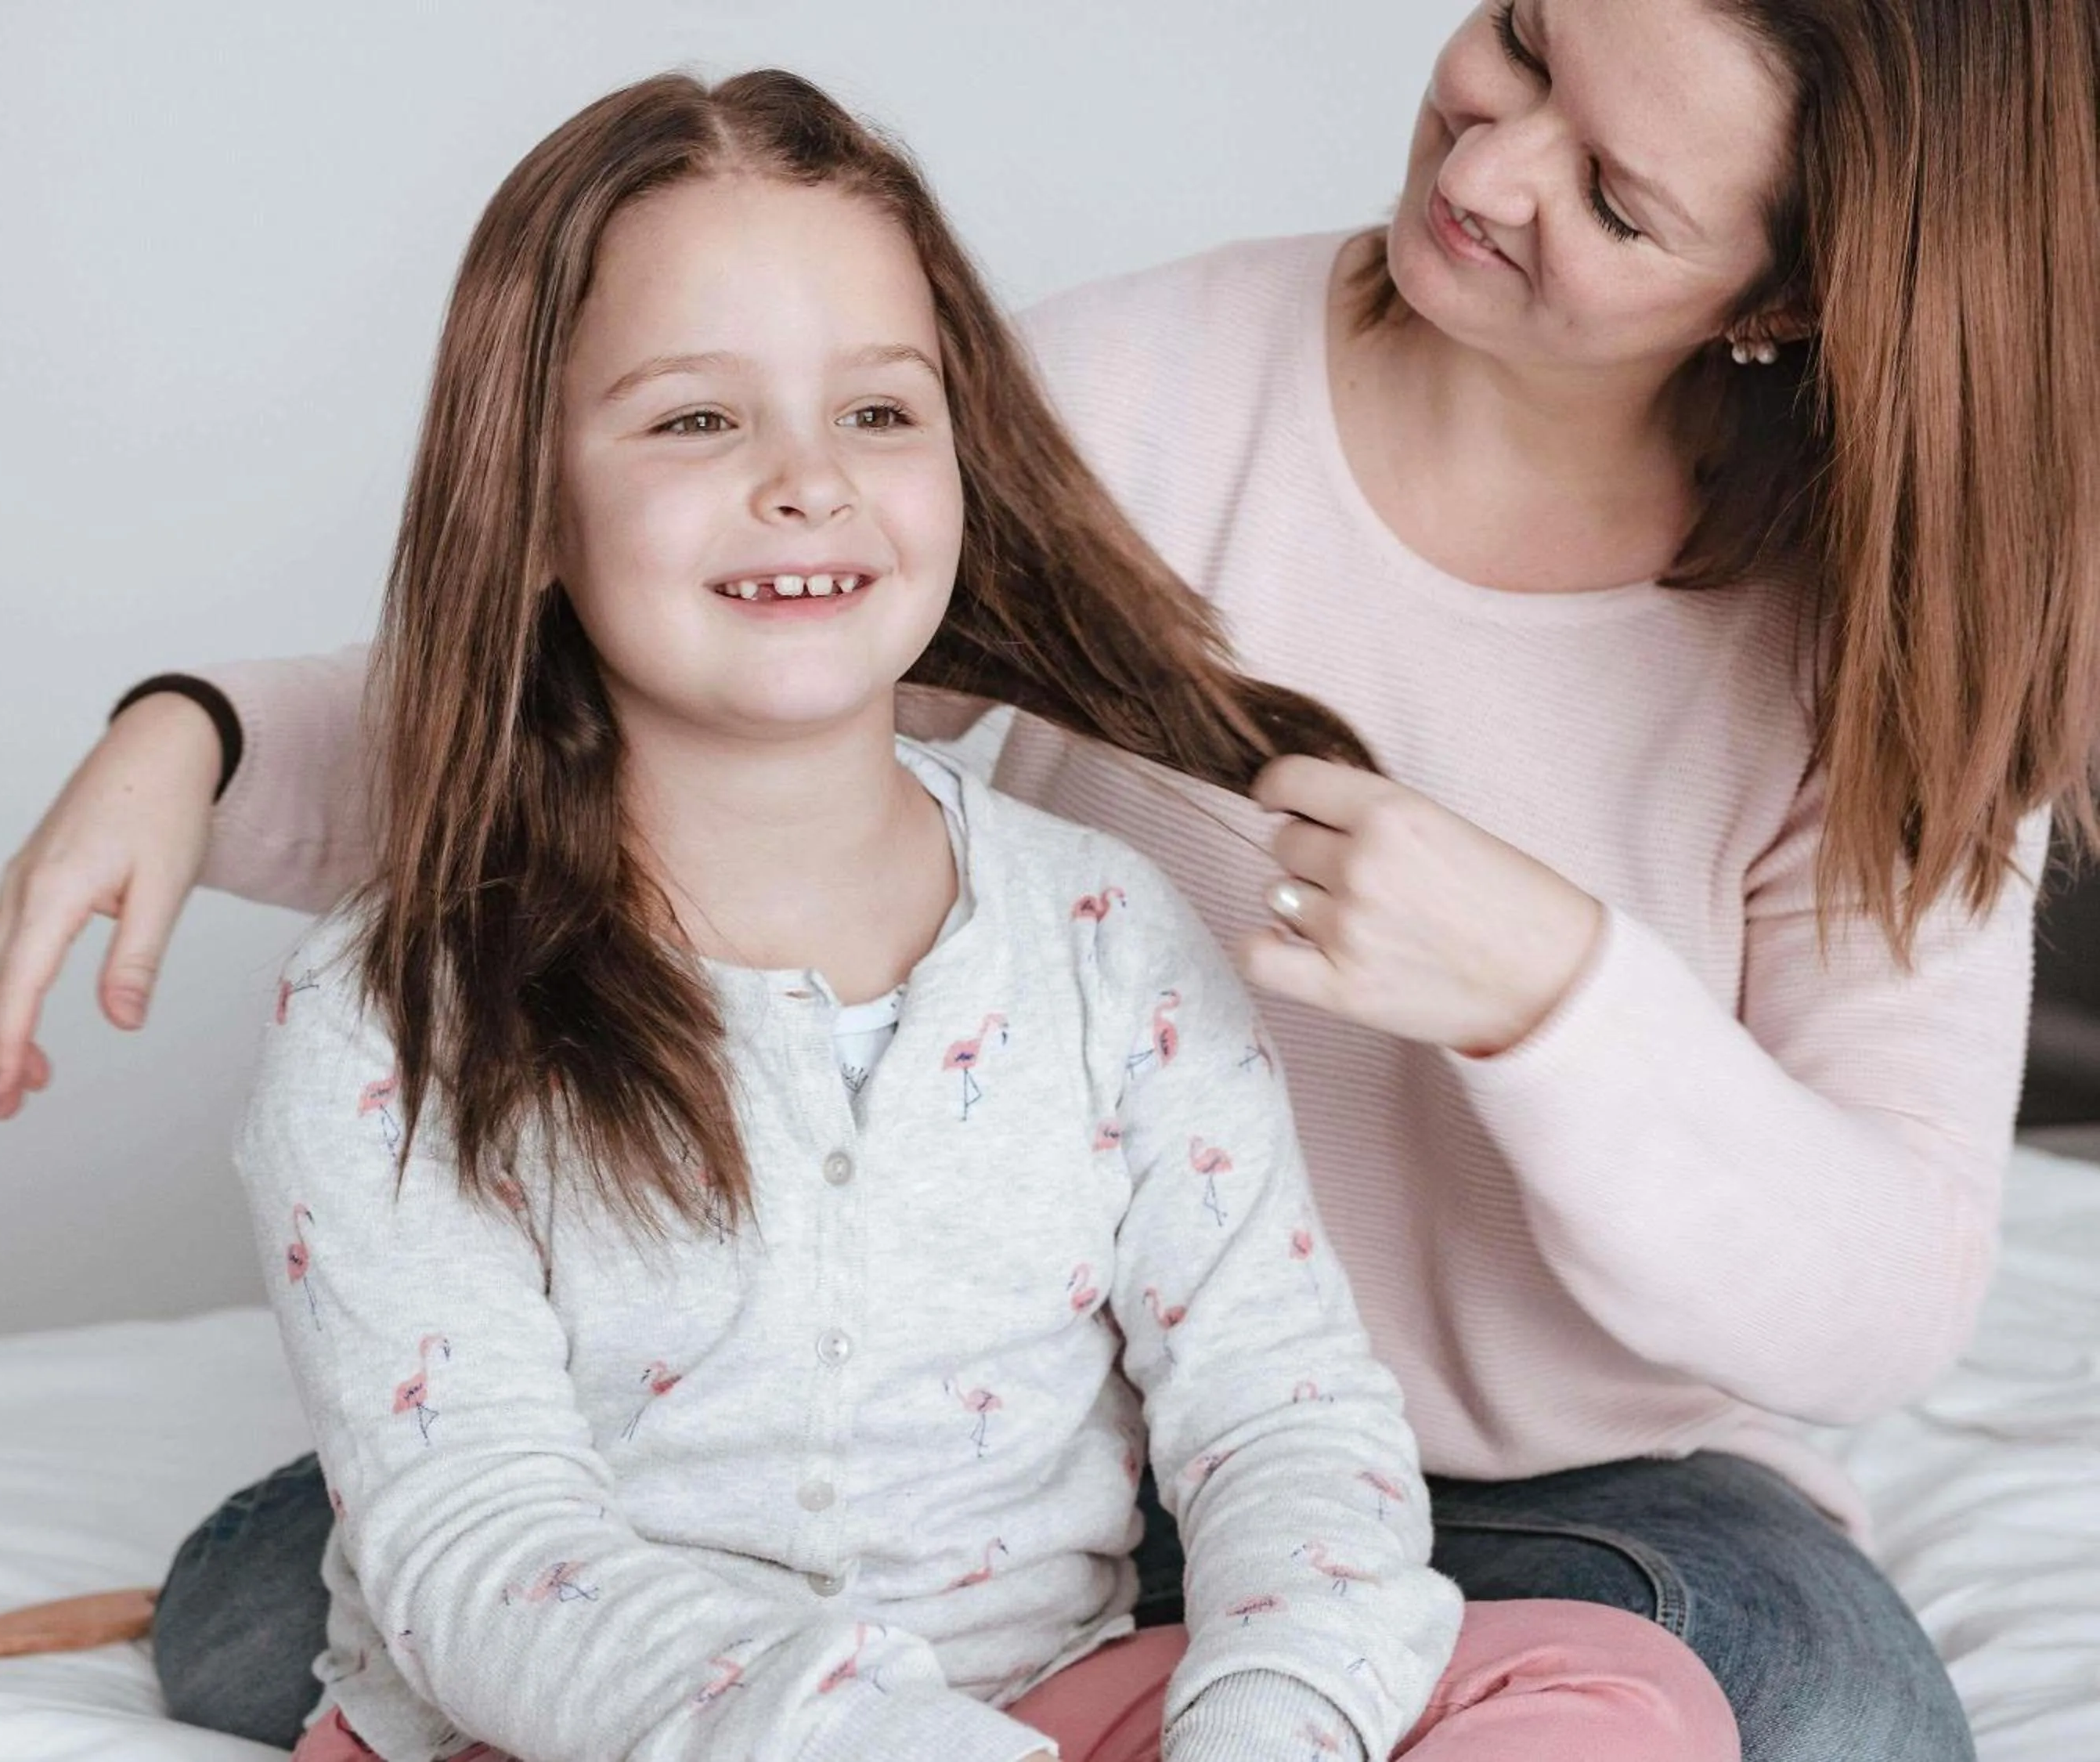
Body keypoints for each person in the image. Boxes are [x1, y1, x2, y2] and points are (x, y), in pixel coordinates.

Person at [0, 3, 2100, 1759]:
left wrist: (1560, 999)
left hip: (1529, 1492)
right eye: (1522, 42)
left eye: (1618, 194)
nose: (1492, 162)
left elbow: (1881, 1303)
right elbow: (664, 677)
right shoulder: (1122, 401)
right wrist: (200, 740)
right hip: (1031, 1430)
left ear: (1792, 290)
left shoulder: (1898, 647)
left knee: (1827, 1710)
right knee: (296, 1622)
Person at [210, 66, 1738, 1762]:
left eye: (880, 411)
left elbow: (1283, 1415)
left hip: (1044, 1702)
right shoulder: (390, 1010)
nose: (808, 481)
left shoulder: (1108, 937)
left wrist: (1268, 1725)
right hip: (584, 1735)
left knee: (1621, 1691)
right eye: (697, 420)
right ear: (532, 507)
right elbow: (484, 1549)